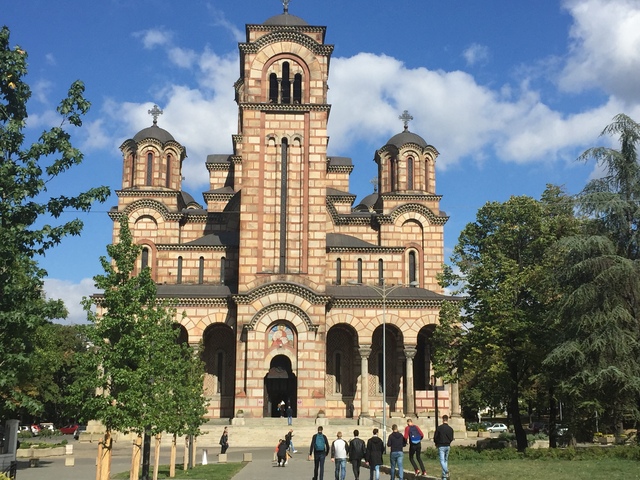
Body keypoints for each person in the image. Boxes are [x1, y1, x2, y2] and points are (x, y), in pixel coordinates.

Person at [434, 415, 454, 480]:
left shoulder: (439, 428)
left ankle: (446, 471)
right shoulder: (450, 429)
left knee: (442, 460)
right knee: (446, 460)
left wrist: (436, 443)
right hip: (448, 445)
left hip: (441, 445)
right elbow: (451, 438)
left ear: (442, 419)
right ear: (447, 420)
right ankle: (444, 477)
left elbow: (435, 437)